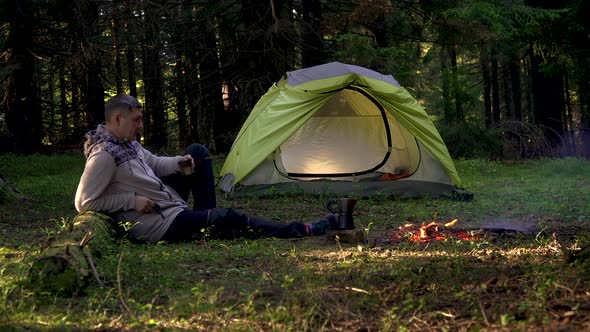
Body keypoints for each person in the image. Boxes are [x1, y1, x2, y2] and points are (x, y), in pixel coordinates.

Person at [75, 94, 337, 243]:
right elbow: (83, 202)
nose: (140, 125)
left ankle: (205, 219)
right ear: (118, 118)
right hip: (157, 223)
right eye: (137, 120)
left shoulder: (126, 143)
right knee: (231, 218)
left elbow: (153, 163)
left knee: (197, 152)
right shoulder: (104, 155)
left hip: (165, 206)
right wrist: (131, 200)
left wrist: (181, 162)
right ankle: (302, 229)